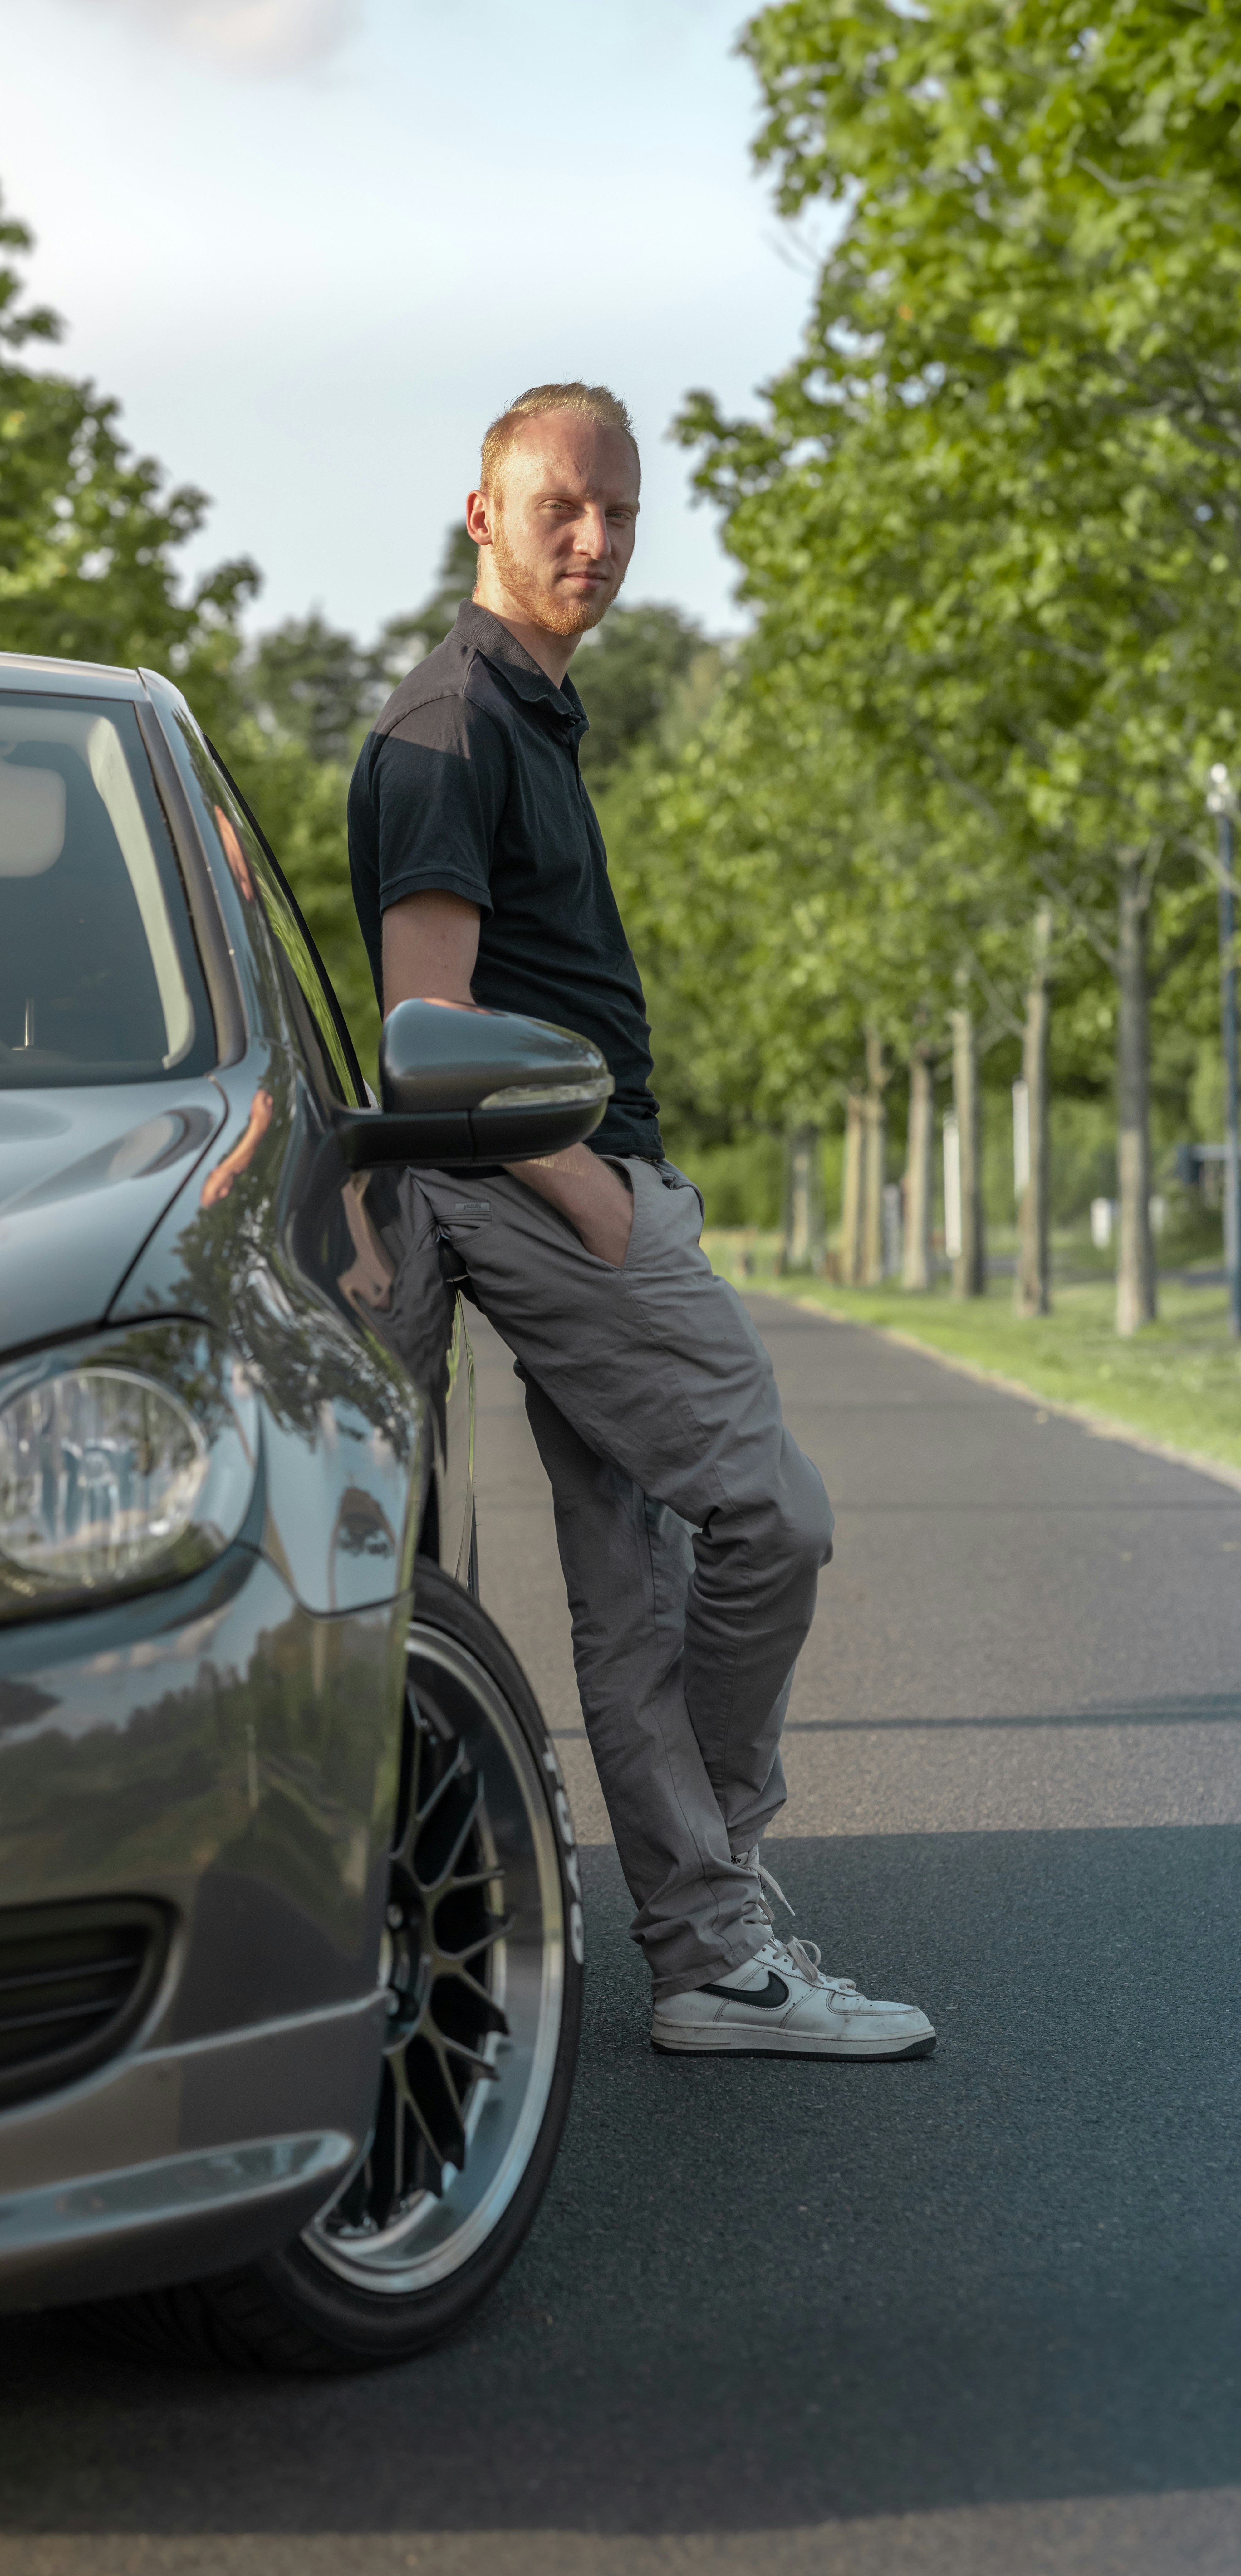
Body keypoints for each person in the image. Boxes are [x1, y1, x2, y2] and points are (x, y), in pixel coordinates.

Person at [348, 382, 933, 2059]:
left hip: (551, 1184)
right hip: (546, 1186)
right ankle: (726, 1877)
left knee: (639, 1583)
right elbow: (425, 1029)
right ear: (485, 518)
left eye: (620, 513)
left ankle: (707, 1961)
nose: (596, 541)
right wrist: (600, 1194)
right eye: (560, 510)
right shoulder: (454, 722)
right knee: (772, 1520)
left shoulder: (526, 714)